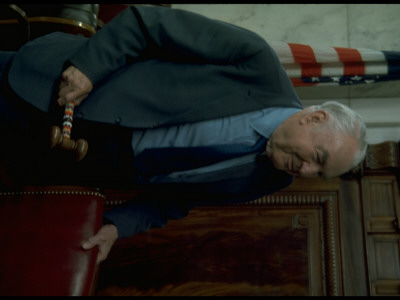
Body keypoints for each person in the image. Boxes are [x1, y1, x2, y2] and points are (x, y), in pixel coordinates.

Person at [0, 5, 367, 263]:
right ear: (313, 118)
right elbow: (147, 23)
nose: (305, 172)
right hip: (52, 90)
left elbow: (175, 199)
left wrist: (117, 227)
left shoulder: (271, 179)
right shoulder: (257, 62)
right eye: (317, 159)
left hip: (64, 162)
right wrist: (88, 69)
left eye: (318, 174)